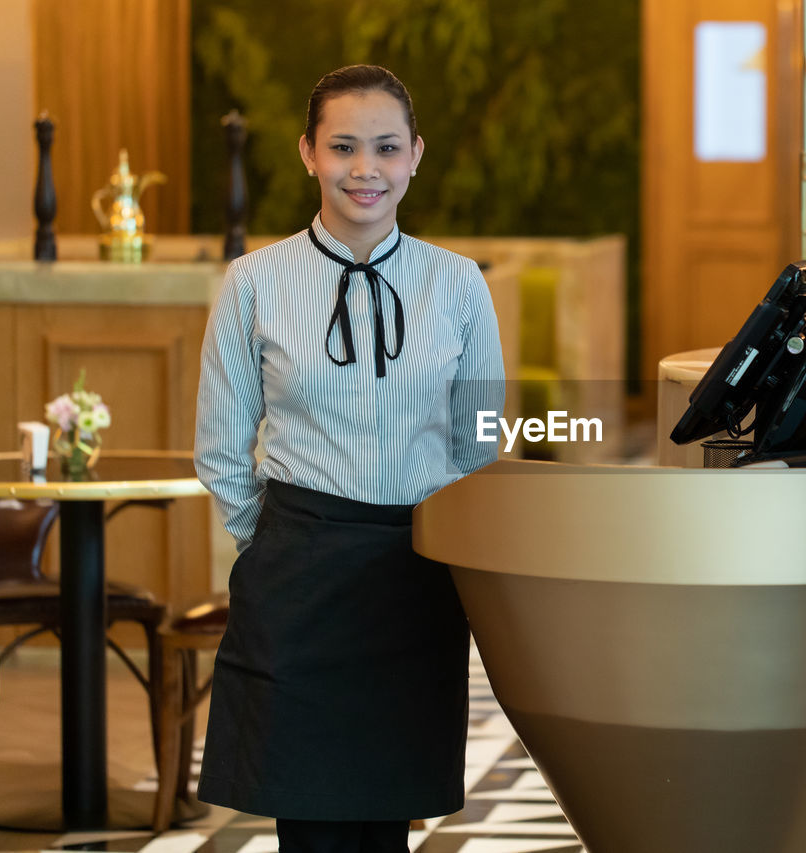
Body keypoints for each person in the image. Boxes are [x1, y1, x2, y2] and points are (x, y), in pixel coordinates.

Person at [194, 65, 504, 853]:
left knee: (386, 825)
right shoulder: (253, 282)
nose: (365, 169)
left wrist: (451, 547)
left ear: (415, 156)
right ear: (308, 153)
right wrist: (270, 541)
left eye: (386, 148)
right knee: (310, 826)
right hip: (299, 574)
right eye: (343, 147)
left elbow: (478, 442)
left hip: (417, 572)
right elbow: (222, 447)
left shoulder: (459, 284)